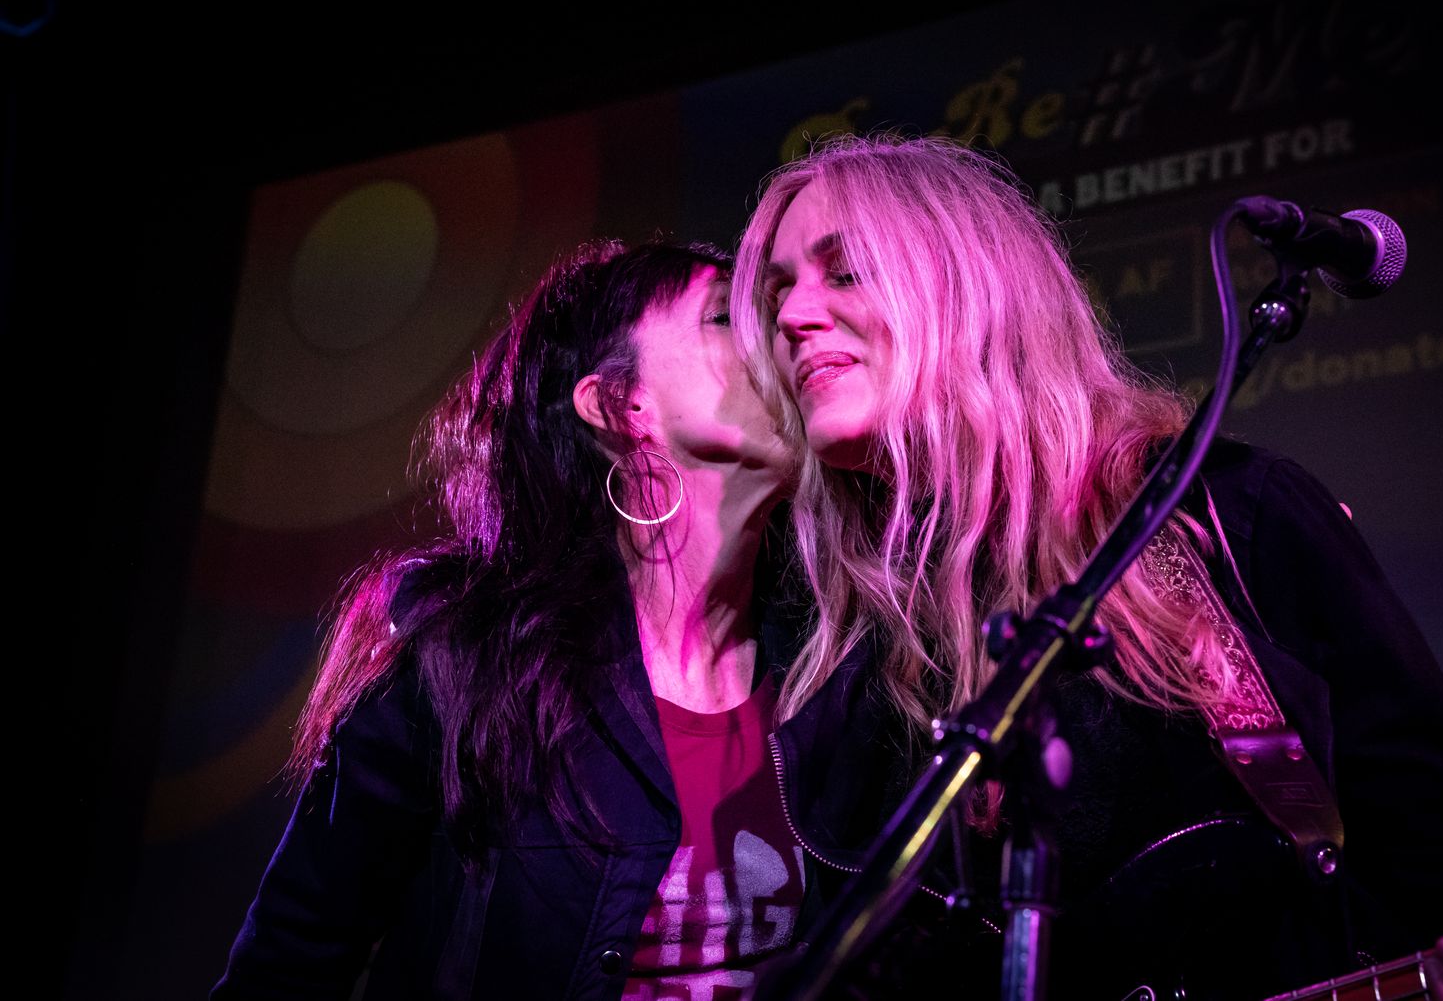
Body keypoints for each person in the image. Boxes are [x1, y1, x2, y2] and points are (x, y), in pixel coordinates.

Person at [728, 135, 1443, 1000]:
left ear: (968, 291)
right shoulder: (840, 678)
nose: (792, 316)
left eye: (845, 272)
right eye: (778, 291)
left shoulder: (1229, 519)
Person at [212, 240, 921, 1001]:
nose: (774, 336)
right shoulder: (465, 659)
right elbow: (287, 965)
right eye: (724, 317)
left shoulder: (847, 662)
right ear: (619, 406)